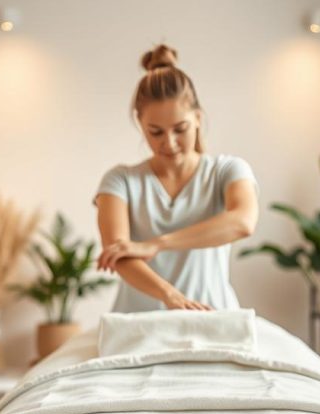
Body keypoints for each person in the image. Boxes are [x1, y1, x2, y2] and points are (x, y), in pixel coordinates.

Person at [94, 44, 259, 312]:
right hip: (139, 326)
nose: (169, 143)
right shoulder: (119, 181)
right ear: (140, 123)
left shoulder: (227, 171)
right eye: (155, 132)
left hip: (213, 318)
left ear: (197, 117)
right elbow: (120, 255)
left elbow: (243, 222)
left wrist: (156, 244)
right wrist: (169, 295)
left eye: (179, 129)